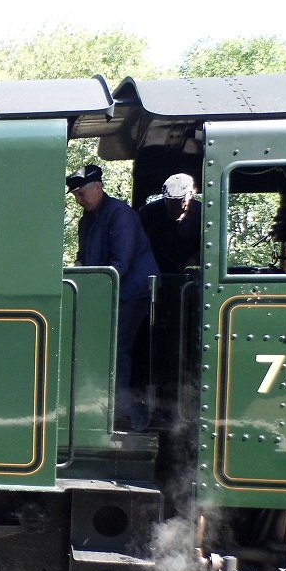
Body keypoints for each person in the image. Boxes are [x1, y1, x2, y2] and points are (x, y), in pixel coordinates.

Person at [67, 164, 160, 431]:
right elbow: (85, 259)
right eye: (76, 196)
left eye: (82, 193)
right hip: (107, 292)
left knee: (117, 349)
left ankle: (121, 411)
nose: (79, 200)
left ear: (98, 188)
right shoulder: (87, 220)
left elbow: (120, 264)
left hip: (132, 292)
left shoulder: (120, 214)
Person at [138, 173, 201, 274]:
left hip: (194, 276)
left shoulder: (203, 214)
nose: (174, 204)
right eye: (170, 199)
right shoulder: (147, 213)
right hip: (155, 273)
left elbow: (213, 245)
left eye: (180, 199)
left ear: (190, 194)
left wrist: (196, 259)